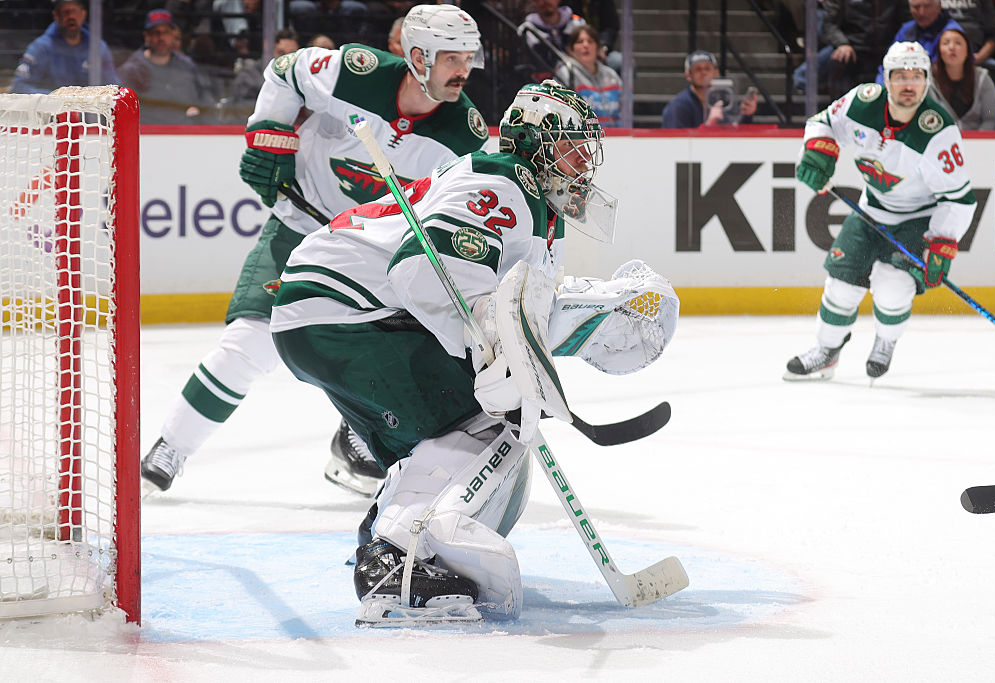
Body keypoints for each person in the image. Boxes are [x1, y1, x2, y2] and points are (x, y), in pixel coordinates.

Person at [269, 79, 678, 624]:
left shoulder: (530, 204)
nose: (581, 162)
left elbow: (515, 305)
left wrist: (531, 339)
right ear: (533, 141)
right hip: (346, 313)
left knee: (472, 446)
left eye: (585, 150)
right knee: (481, 425)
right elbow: (423, 272)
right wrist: (500, 350)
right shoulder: (502, 181)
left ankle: (395, 533)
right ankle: (398, 561)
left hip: (336, 315)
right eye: (570, 145)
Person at [139, 4, 491, 498]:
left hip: (369, 258)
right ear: (417, 56)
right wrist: (270, 138)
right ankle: (170, 447)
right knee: (249, 343)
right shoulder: (354, 72)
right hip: (300, 226)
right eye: (452, 58)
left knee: (383, 360)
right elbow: (285, 74)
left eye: (469, 58)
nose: (464, 71)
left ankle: (358, 443)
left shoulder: (463, 136)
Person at [785, 41, 977, 381]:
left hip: (917, 220)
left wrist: (942, 242)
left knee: (893, 285)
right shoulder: (862, 102)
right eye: (900, 76)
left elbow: (959, 199)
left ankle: (885, 343)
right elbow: (823, 121)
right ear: (886, 79)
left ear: (926, 80)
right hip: (870, 210)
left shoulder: (940, 132)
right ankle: (827, 351)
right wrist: (818, 149)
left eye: (916, 76)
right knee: (841, 284)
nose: (908, 84)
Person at [117, 9, 216, 125]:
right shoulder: (132, 70)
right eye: (156, 33)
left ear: (173, 35)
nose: (162, 38)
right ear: (146, 36)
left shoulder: (187, 66)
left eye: (166, 32)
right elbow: (122, 113)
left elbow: (206, 102)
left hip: (184, 135)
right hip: (146, 136)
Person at [11, 0, 118, 94]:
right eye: (66, 12)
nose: (71, 16)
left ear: (83, 14)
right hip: (52, 113)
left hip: (91, 114)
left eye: (75, 11)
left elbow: (114, 88)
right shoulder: (40, 48)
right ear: (56, 16)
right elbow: (19, 87)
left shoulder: (98, 48)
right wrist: (57, 99)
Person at [815, 0, 909, 100]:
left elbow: (907, 21)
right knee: (838, 61)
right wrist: (842, 43)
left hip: (888, 50)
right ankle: (842, 109)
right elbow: (829, 24)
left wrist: (899, 47)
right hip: (854, 48)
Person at [661, 50, 757, 129]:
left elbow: (731, 136)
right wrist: (709, 125)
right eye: (698, 69)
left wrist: (746, 115)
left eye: (707, 68)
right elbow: (677, 146)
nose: (703, 73)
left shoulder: (716, 102)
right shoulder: (678, 106)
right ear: (688, 75)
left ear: (716, 73)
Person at [928, 27, 995, 129]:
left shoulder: (982, 78)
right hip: (941, 141)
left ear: (968, 51)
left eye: (958, 43)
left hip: (979, 142)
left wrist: (980, 142)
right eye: (946, 43)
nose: (952, 47)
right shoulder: (929, 81)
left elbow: (990, 119)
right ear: (939, 51)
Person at [876, 0, 964, 83]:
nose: (922, 12)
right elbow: (887, 65)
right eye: (916, 7)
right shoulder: (906, 30)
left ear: (939, 6)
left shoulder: (952, 34)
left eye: (927, 6)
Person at [553, 24, 622, 127]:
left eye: (590, 41)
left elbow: (625, 109)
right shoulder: (566, 74)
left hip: (617, 137)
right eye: (580, 42)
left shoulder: (611, 75)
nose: (585, 45)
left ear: (598, 47)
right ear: (571, 50)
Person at [231, 29, 301, 104]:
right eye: (281, 53)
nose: (286, 59)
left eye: (292, 54)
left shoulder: (303, 77)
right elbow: (240, 109)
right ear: (269, 51)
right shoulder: (248, 77)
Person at [519, 0, 586, 72]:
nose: (544, 2)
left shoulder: (577, 23)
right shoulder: (527, 30)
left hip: (581, 74)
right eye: (537, 0)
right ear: (532, 2)